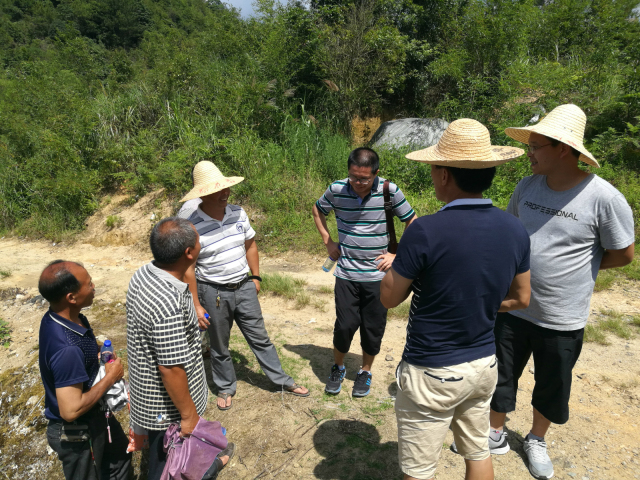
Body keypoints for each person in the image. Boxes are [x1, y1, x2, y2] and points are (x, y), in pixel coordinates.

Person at [488, 104, 635, 480]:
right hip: (514, 306)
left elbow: (623, 255)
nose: (529, 153)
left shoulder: (604, 198)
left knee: (552, 383)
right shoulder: (526, 187)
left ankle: (536, 439)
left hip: (562, 316)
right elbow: (512, 237)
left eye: (536, 146)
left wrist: (580, 270)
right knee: (501, 374)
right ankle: (494, 431)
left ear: (563, 150)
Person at [380, 119, 531, 480]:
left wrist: (398, 263)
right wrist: (477, 303)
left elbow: (389, 298)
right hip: (483, 365)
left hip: (432, 368)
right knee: (477, 450)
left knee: (418, 470)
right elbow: (522, 298)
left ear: (444, 174)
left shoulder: (425, 230)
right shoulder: (515, 228)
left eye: (434, 167)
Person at [182, 160, 309, 411]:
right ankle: (225, 386)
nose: (224, 193)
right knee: (219, 345)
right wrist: (196, 304)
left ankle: (282, 381)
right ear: (203, 194)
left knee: (260, 338)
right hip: (213, 293)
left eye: (225, 188)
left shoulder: (238, 213)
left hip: (245, 287)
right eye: (217, 190)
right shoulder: (191, 226)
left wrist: (256, 276)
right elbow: (189, 268)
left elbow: (250, 244)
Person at [126, 217, 234, 480]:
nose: (201, 242)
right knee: (168, 462)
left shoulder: (145, 273)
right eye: (198, 240)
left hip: (146, 392)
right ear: (188, 253)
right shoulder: (168, 303)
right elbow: (171, 369)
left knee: (164, 454)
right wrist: (188, 416)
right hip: (168, 408)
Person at [312, 147, 416, 397]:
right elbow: (318, 210)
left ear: (376, 174)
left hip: (379, 278)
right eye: (353, 177)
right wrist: (328, 241)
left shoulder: (390, 191)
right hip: (347, 273)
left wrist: (396, 254)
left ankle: (365, 371)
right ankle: (338, 367)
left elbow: (412, 222)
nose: (358, 183)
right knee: (345, 325)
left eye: (364, 179)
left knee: (373, 328)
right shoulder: (337, 189)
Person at [38, 260, 131, 480]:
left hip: (95, 417)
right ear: (71, 297)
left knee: (120, 458)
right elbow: (70, 410)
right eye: (88, 284)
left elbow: (82, 348)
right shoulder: (67, 349)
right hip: (77, 434)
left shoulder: (66, 317)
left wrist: (98, 352)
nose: (94, 286)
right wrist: (110, 379)